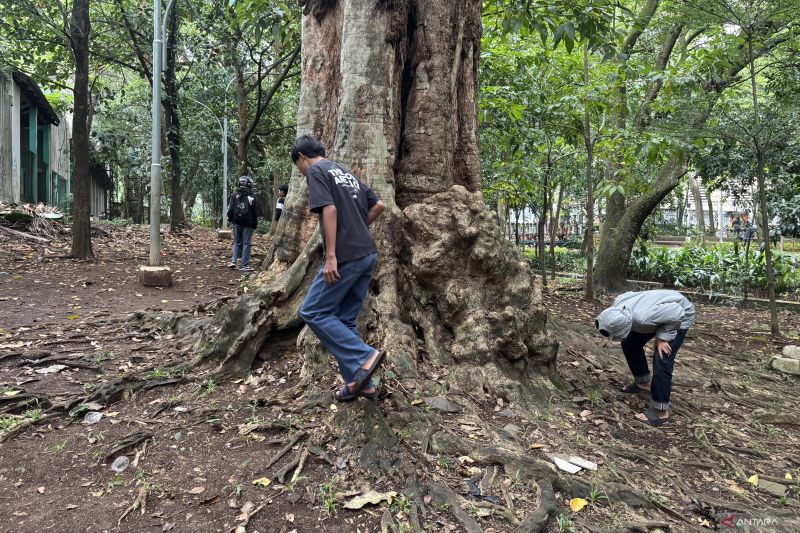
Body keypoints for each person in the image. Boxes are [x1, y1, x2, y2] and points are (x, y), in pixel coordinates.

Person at [292, 134, 387, 402]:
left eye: (298, 166)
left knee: (313, 310)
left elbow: (329, 210)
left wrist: (331, 255)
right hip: (367, 252)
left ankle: (365, 356)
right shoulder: (343, 171)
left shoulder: (316, 170)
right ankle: (359, 383)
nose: (300, 172)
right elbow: (379, 204)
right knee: (345, 320)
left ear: (302, 157)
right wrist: (357, 227)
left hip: (345, 257)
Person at [595, 289, 695, 426]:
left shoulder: (644, 318)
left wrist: (663, 338)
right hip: (659, 315)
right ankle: (643, 383)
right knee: (630, 343)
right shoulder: (618, 305)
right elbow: (627, 295)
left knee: (662, 357)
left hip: (680, 314)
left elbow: (676, 313)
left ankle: (661, 412)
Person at [227, 175, 259, 271]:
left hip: (236, 222)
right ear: (249, 184)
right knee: (246, 243)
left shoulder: (235, 194)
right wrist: (255, 223)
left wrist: (231, 219)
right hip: (247, 223)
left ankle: (233, 261)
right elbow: (254, 212)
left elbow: (231, 209)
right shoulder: (252, 196)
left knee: (237, 242)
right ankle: (244, 265)